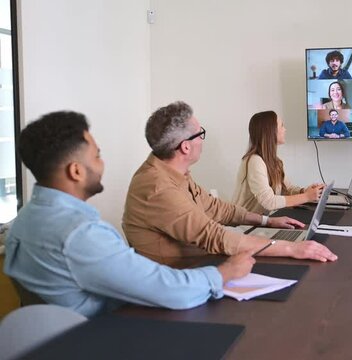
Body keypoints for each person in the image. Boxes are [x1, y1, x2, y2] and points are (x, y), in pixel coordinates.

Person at [4, 111, 256, 317]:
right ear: (76, 171)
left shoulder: (23, 221)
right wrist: (226, 272)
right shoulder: (81, 234)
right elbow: (167, 290)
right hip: (107, 338)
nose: (103, 163)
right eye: (97, 156)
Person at [123, 101, 337, 268]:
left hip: (202, 264)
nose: (202, 140)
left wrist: (267, 222)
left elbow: (218, 209)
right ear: (186, 147)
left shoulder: (175, 173)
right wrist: (291, 248)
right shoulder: (157, 188)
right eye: (200, 134)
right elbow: (213, 235)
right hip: (183, 276)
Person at [232, 111, 324, 214]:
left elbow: (287, 189)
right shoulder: (254, 161)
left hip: (261, 221)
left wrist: (304, 191)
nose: (285, 130)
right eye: (282, 126)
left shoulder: (275, 161)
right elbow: (268, 201)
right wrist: (307, 197)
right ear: (271, 131)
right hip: (244, 225)